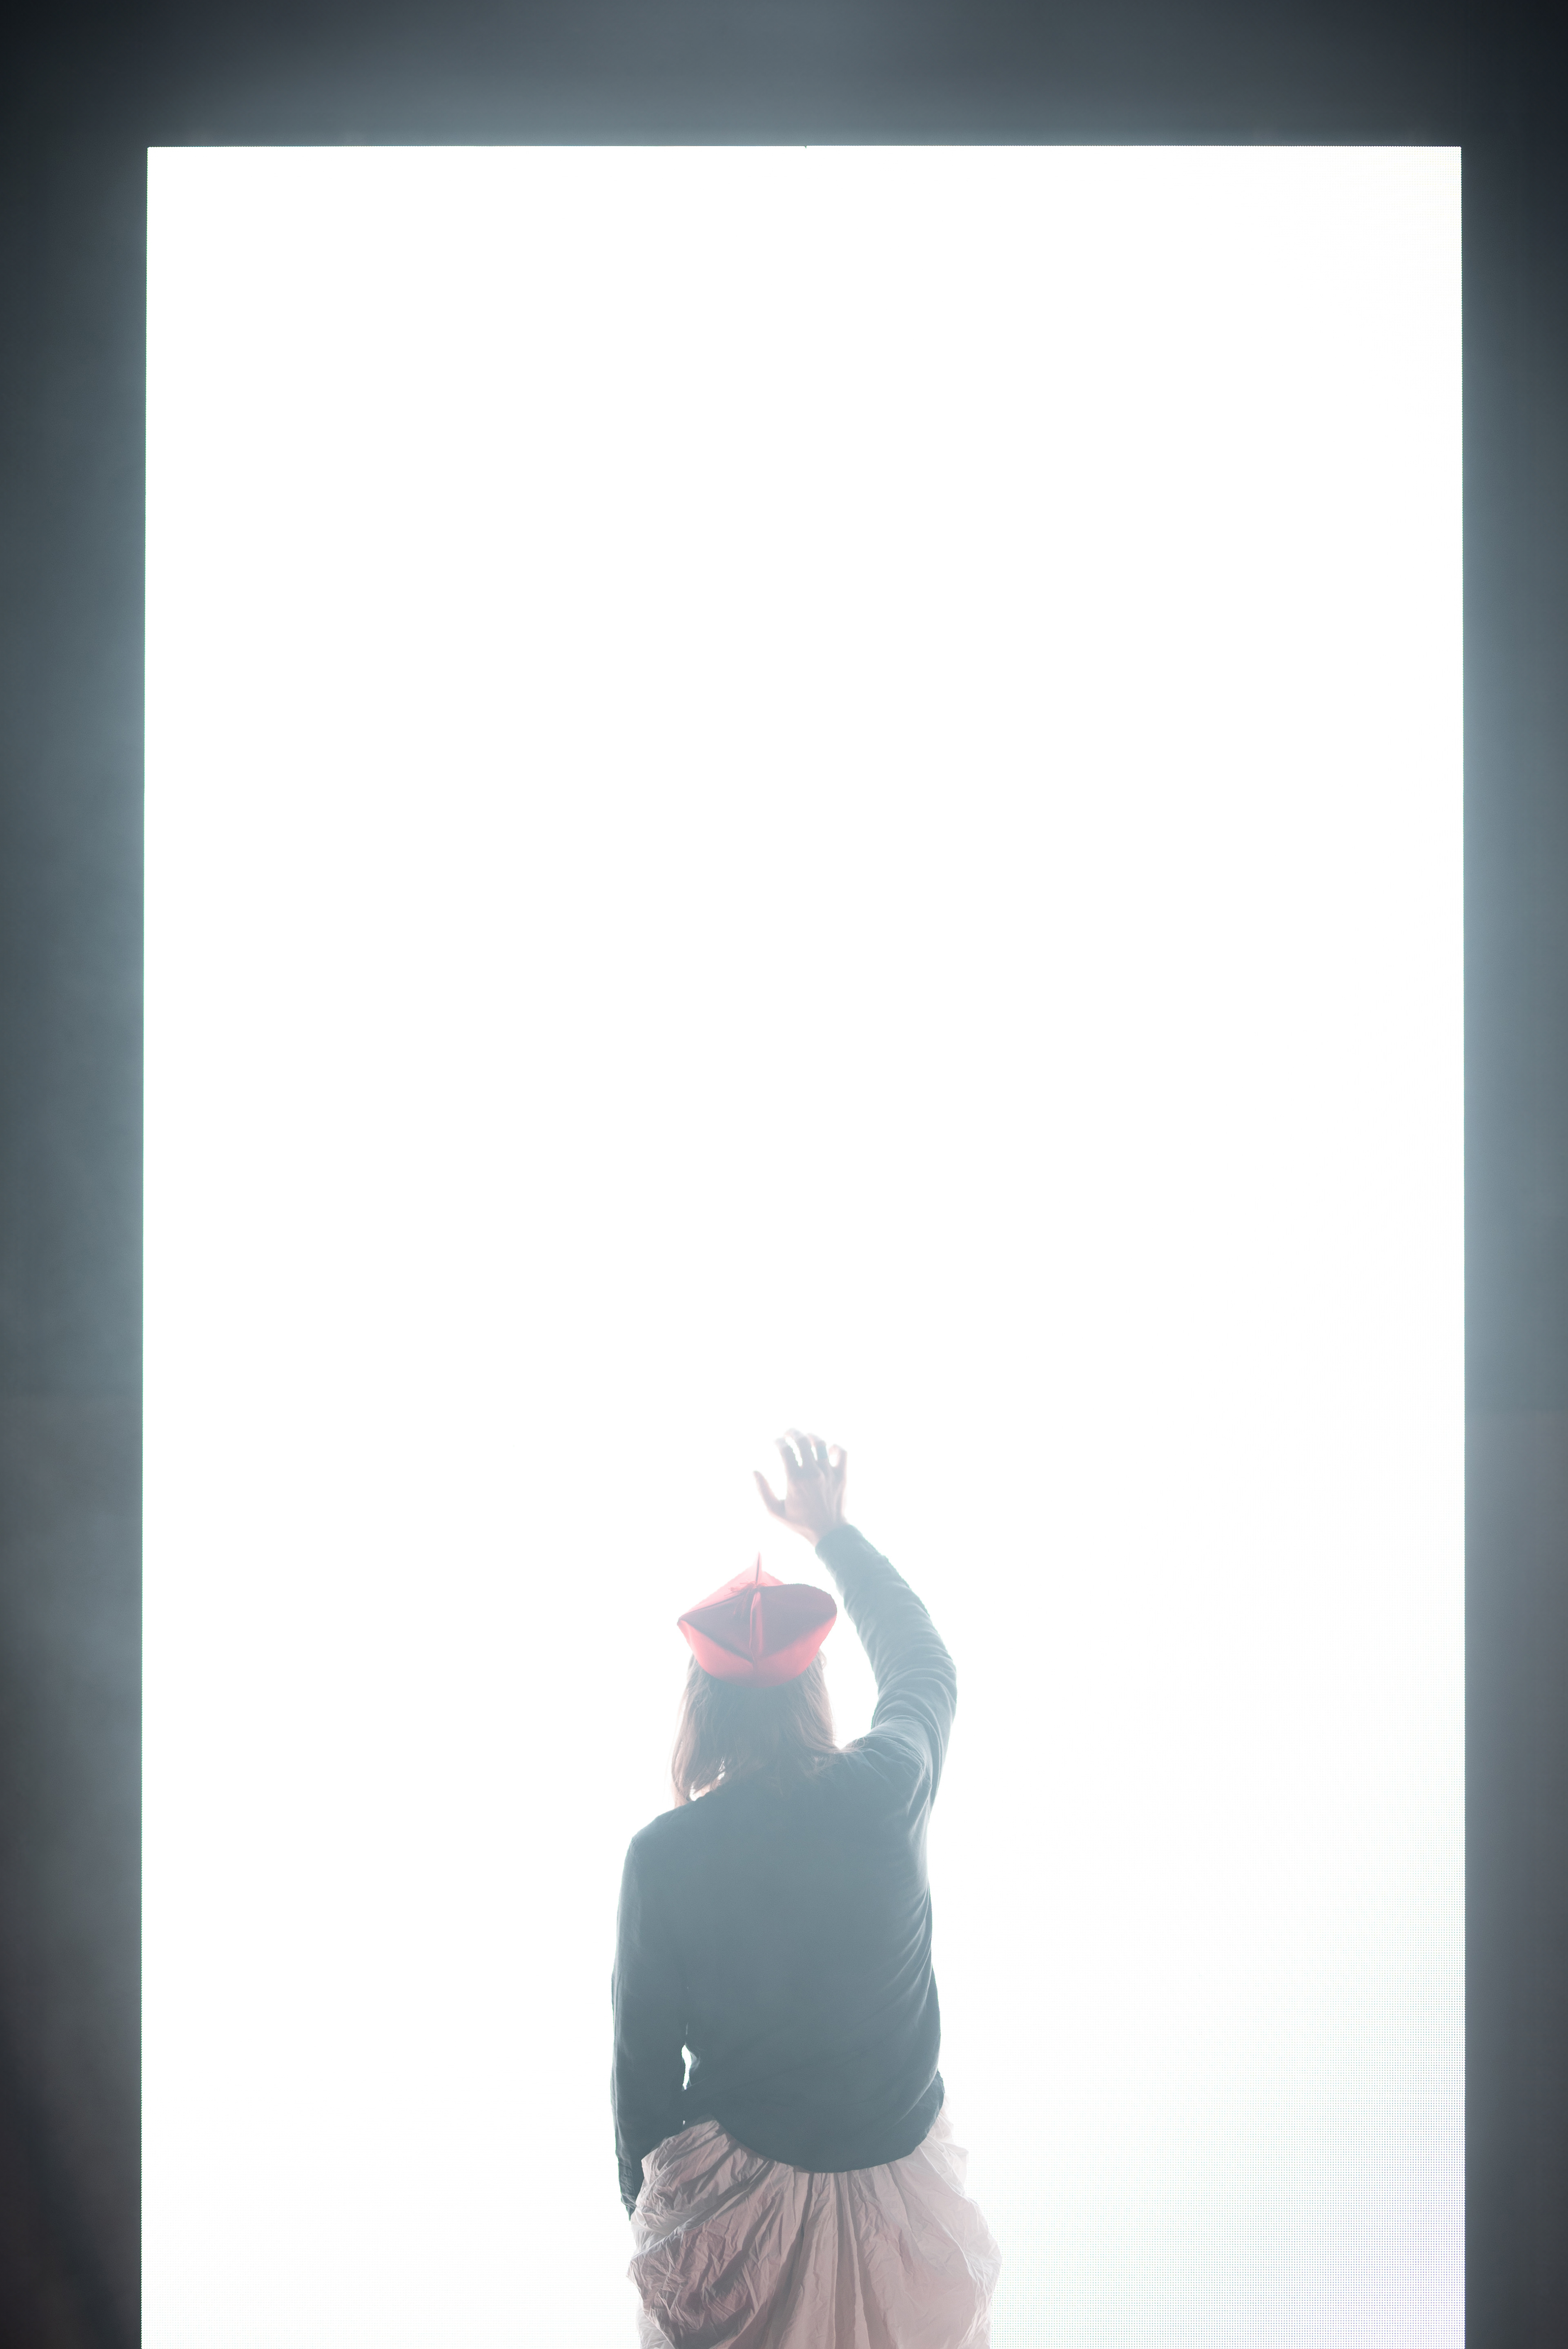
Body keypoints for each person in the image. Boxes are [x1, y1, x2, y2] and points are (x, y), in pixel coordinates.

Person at [611, 1430, 1000, 2349]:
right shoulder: (889, 1785)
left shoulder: (664, 1856)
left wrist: (663, 2234)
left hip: (738, 2213)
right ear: (814, 1687)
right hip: (905, 2207)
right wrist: (834, 1533)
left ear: (702, 1710)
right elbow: (924, 1667)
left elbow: (642, 2083)